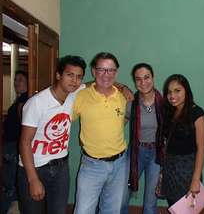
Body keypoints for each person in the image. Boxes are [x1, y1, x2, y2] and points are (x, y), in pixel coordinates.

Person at [18, 55, 87, 214]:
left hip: (61, 168)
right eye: (70, 75)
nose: (74, 81)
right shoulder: (37, 103)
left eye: (78, 77)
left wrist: (123, 88)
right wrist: (33, 179)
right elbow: (24, 143)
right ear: (58, 75)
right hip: (34, 168)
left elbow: (96, 83)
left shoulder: (74, 94)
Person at [73, 52, 128, 214]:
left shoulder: (123, 97)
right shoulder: (80, 96)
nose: (106, 75)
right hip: (92, 166)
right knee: (83, 211)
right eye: (101, 70)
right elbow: (64, 120)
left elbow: (125, 119)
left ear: (116, 72)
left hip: (120, 164)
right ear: (93, 71)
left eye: (111, 70)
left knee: (112, 211)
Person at [121, 63, 164, 214]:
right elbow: (118, 126)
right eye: (138, 79)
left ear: (153, 78)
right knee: (122, 197)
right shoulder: (131, 103)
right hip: (135, 152)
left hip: (156, 155)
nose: (143, 82)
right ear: (134, 81)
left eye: (146, 77)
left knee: (151, 203)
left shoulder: (164, 103)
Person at [161, 74, 204, 206]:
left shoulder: (197, 114)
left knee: (187, 209)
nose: (172, 95)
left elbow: (202, 148)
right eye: (169, 92)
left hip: (187, 171)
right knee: (174, 206)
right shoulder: (171, 112)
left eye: (177, 90)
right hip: (170, 170)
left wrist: (196, 179)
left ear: (186, 90)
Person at [1, 70, 28, 214]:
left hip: (14, 147)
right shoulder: (19, 100)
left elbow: (24, 126)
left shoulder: (23, 102)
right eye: (16, 80)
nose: (17, 83)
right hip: (11, 146)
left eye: (21, 80)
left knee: (9, 183)